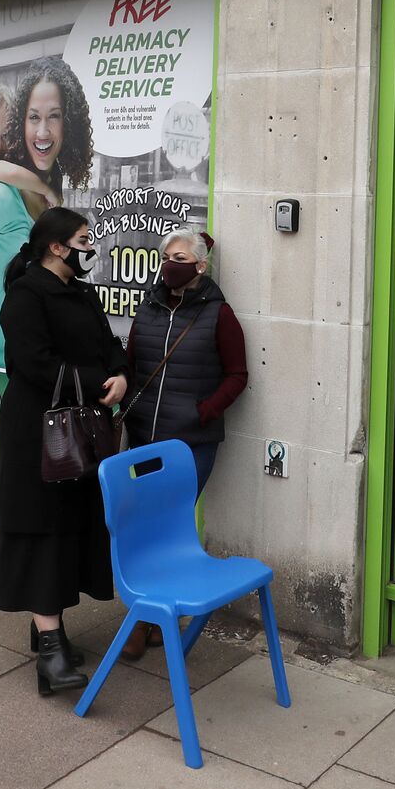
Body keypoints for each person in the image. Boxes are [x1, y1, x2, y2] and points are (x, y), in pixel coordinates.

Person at [0, 206, 127, 696]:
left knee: (70, 526)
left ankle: (48, 628)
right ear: (57, 246)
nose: (91, 247)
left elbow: (108, 344)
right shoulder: (26, 295)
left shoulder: (81, 292)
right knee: (43, 528)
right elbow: (33, 363)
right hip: (39, 431)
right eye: (84, 239)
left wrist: (120, 374)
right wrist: (97, 383)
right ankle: (50, 653)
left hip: (80, 428)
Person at [117, 228, 249, 660]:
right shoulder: (150, 307)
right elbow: (133, 361)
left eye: (179, 257)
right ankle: (162, 621)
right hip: (143, 438)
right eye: (166, 257)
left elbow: (238, 375)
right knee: (145, 528)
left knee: (163, 531)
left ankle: (141, 623)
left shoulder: (219, 313)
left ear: (200, 265)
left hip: (191, 443)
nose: (170, 265)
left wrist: (203, 411)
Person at [0, 57, 95, 369]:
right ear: (20, 123)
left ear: (69, 124)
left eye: (54, 117)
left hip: (42, 372)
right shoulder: (2, 197)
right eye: (33, 117)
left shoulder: (55, 197)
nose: (43, 131)